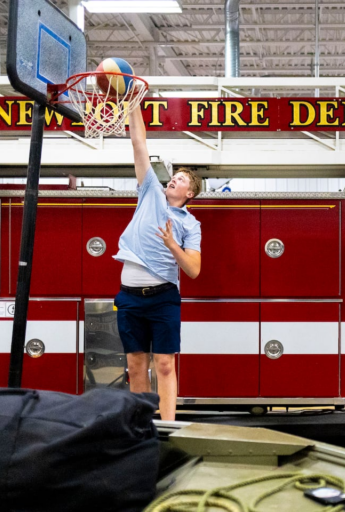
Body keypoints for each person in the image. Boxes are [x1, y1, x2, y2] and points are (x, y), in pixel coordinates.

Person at [113, 103, 202, 421]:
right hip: (129, 296)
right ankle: (141, 425)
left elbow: (192, 269)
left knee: (164, 364)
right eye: (173, 177)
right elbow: (139, 141)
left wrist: (171, 245)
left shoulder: (190, 225)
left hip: (164, 298)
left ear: (190, 193)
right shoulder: (149, 191)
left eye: (180, 180)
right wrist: (132, 102)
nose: (173, 180)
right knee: (136, 365)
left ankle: (168, 427)